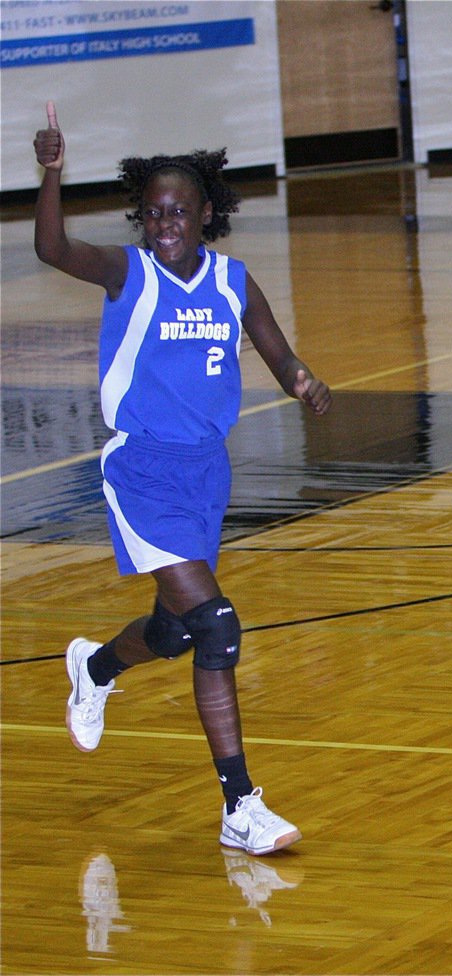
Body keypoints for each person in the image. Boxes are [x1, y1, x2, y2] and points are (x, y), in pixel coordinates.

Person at [33, 101, 332, 855]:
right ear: (143, 218)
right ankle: (240, 806)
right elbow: (51, 248)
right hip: (142, 471)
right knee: (216, 625)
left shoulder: (232, 280)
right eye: (152, 211)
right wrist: (51, 172)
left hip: (206, 472)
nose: (164, 221)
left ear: (206, 214)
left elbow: (275, 348)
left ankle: (96, 667)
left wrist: (300, 380)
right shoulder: (126, 273)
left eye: (179, 210)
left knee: (175, 629)